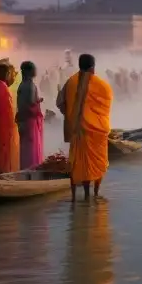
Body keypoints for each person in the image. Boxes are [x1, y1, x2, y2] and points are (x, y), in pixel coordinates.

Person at [57, 54, 113, 200]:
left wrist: (71, 115)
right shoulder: (102, 85)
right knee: (95, 163)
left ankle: (75, 197)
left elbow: (60, 102)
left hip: (76, 130)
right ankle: (94, 193)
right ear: (93, 67)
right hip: (96, 133)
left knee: (76, 162)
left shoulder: (70, 82)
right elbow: (106, 105)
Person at [0, 62, 19, 174]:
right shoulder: (1, 88)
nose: (13, 78)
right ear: (7, 73)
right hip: (2, 129)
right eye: (13, 74)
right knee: (2, 154)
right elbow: (6, 114)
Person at [16, 61, 44, 171]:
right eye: (33, 69)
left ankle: (25, 170)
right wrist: (38, 102)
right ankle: (30, 171)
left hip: (23, 121)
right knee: (31, 149)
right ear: (28, 71)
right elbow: (30, 106)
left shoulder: (22, 85)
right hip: (30, 122)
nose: (35, 71)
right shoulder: (30, 85)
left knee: (25, 149)